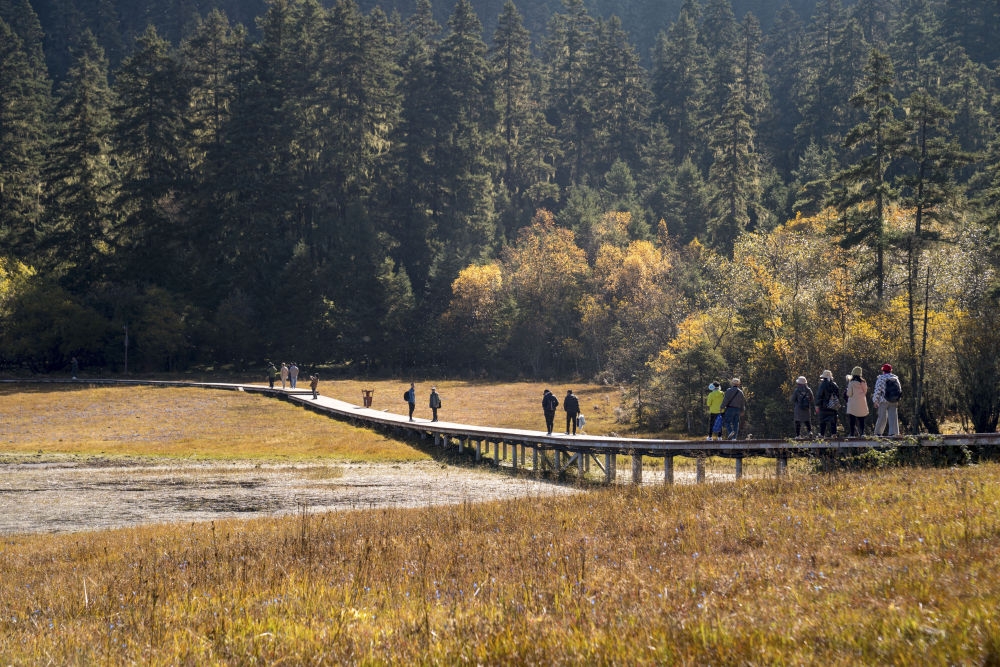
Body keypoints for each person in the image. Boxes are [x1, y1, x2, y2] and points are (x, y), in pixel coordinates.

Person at [873, 363, 901, 436]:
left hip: (883, 400)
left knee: (882, 417)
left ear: (883, 370)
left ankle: (878, 433)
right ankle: (893, 433)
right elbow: (899, 390)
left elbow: (878, 390)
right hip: (894, 400)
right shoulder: (895, 378)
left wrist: (875, 401)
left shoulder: (881, 378)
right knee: (893, 417)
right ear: (890, 370)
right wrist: (897, 399)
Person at [845, 366, 869, 437]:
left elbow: (849, 393)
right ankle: (862, 433)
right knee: (861, 419)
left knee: (852, 420)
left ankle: (852, 434)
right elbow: (865, 391)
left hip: (853, 403)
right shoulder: (863, 382)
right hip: (862, 402)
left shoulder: (851, 382)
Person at [815, 369, 840, 437]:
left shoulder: (822, 384)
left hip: (824, 406)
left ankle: (822, 434)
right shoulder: (834, 385)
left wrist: (817, 405)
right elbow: (838, 395)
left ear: (823, 377)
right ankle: (834, 433)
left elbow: (820, 395)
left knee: (822, 421)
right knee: (833, 421)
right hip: (833, 406)